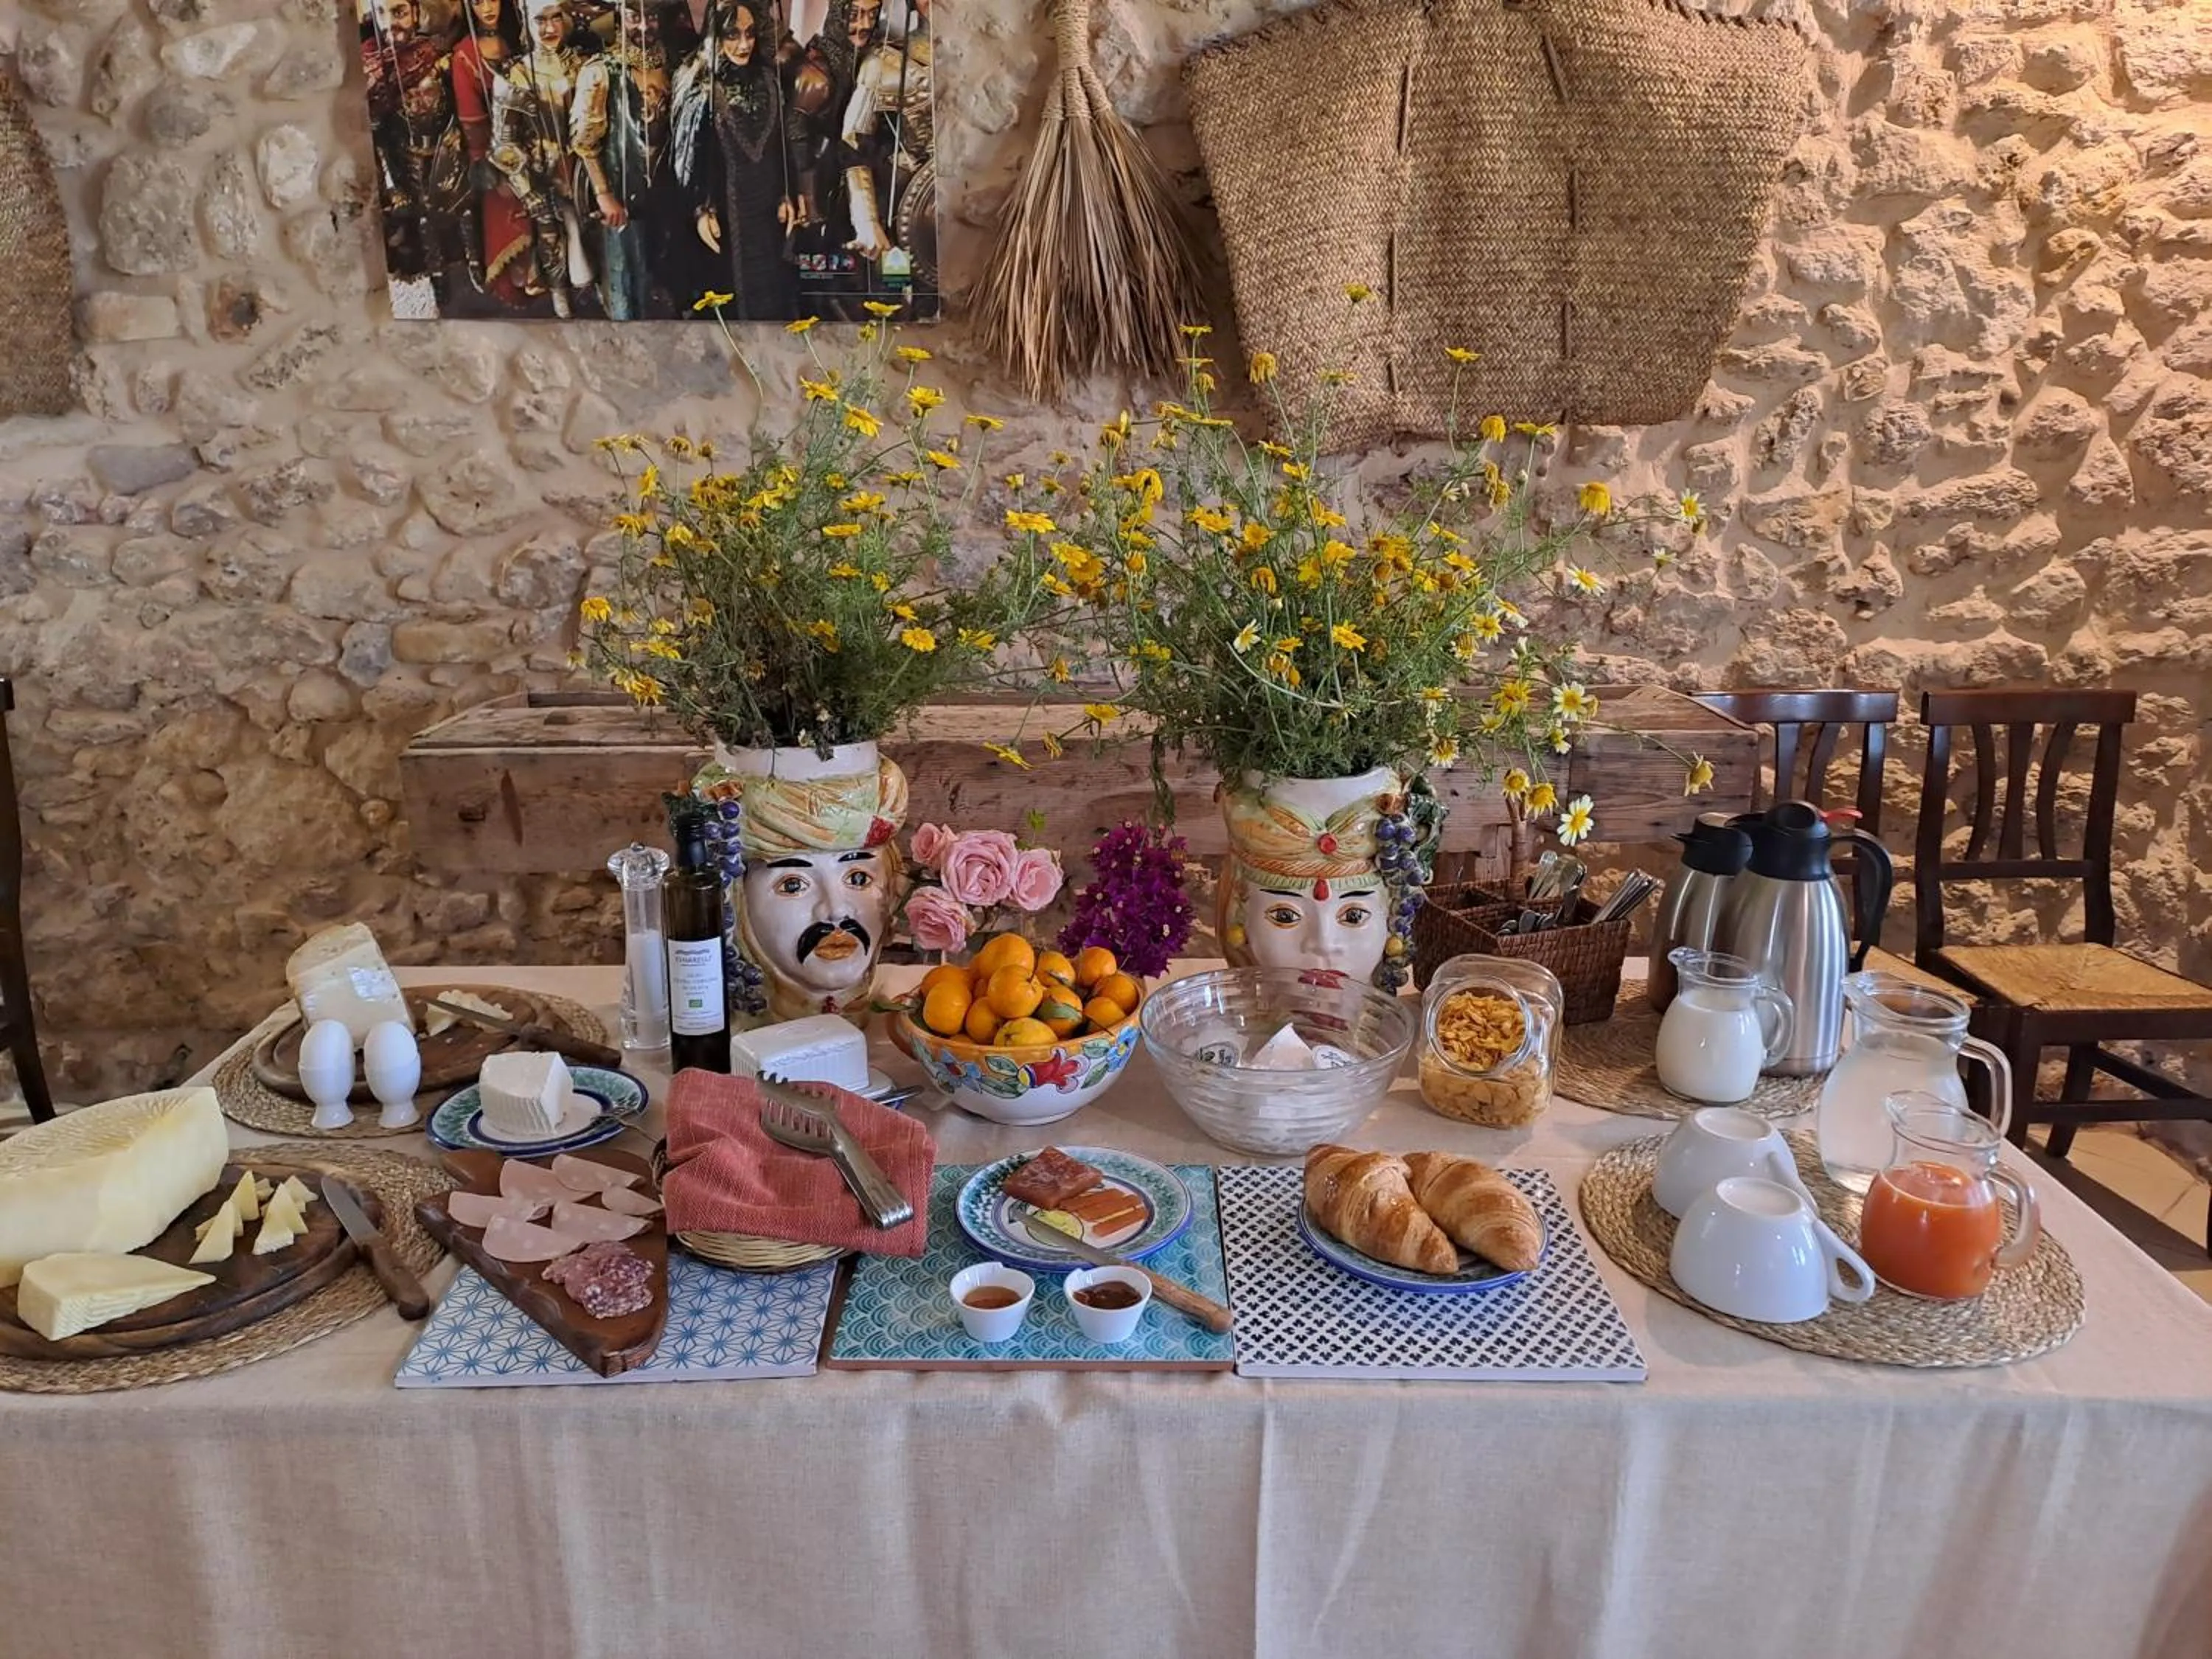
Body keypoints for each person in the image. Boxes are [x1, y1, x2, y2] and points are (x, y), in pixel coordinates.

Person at [669, 0, 802, 318]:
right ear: (716, 35)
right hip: (725, 220)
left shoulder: (769, 81)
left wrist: (787, 190)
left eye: (749, 34)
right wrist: (700, 208)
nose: (743, 45)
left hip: (768, 213)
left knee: (771, 293)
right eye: (732, 35)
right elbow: (688, 160)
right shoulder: (701, 90)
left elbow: (781, 146)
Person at [494, 0, 597, 316]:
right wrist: (528, 190)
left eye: (555, 19)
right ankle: (559, 298)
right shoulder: (516, 75)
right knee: (551, 238)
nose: (550, 28)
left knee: (594, 234)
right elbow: (505, 146)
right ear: (527, 22)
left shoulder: (584, 64)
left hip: (585, 168)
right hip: (541, 169)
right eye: (541, 20)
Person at [570, 0, 669, 319]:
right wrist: (603, 194)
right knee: (623, 282)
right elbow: (585, 142)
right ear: (619, 18)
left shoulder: (669, 60)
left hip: (662, 191)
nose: (643, 26)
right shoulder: (601, 71)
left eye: (651, 16)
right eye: (634, 17)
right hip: (620, 194)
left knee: (656, 272)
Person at [361, 0, 467, 287]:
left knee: (455, 221)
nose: (389, 23)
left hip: (446, 151)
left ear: (416, 13)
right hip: (403, 162)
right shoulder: (371, 67)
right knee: (419, 227)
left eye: (399, 12)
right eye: (382, 13)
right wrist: (389, 188)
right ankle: (434, 280)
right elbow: (370, 136)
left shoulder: (432, 52)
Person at [451, 0, 542, 306]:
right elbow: (471, 118)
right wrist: (486, 159)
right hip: (496, 149)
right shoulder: (465, 55)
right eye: (478, 2)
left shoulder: (518, 39)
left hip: (534, 140)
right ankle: (515, 278)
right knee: (507, 214)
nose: (488, 7)